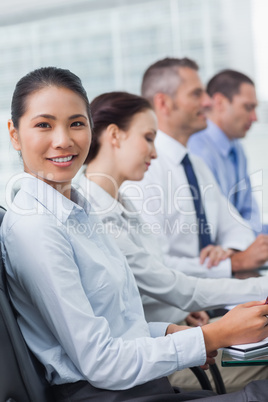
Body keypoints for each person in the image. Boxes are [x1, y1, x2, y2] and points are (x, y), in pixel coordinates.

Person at [1, 67, 268, 402]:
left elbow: (120, 327)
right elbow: (100, 362)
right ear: (14, 134)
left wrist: (169, 331)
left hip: (139, 381)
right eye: (44, 124)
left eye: (76, 123)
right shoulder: (36, 228)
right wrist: (212, 336)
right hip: (112, 393)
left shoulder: (77, 212)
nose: (63, 140)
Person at [80, 91, 268, 392]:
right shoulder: (96, 216)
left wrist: (174, 315)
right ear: (115, 135)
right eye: (149, 138)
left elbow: (157, 278)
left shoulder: (123, 203)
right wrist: (261, 287)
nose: (154, 153)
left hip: (172, 336)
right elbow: (174, 286)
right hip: (155, 365)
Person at [122, 57, 268, 279]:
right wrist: (231, 263)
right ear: (163, 103)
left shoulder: (196, 166)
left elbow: (238, 227)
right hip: (183, 306)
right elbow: (154, 263)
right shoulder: (142, 170)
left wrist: (229, 251)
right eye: (196, 94)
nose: (209, 102)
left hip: (214, 294)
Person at [188, 69, 267, 235]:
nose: (254, 117)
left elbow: (248, 208)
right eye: (248, 107)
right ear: (220, 103)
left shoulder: (237, 147)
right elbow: (215, 222)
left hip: (244, 240)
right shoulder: (196, 149)